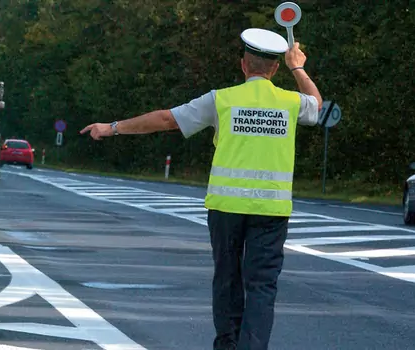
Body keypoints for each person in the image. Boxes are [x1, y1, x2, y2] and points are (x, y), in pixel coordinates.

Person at [80, 28, 323, 350]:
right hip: (271, 211)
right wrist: (298, 67)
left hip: (225, 209)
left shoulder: (221, 100)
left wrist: (112, 128)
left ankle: (227, 345)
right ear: (275, 69)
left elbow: (167, 119)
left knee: (227, 281)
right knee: (262, 286)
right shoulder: (291, 102)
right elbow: (317, 107)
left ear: (243, 66)